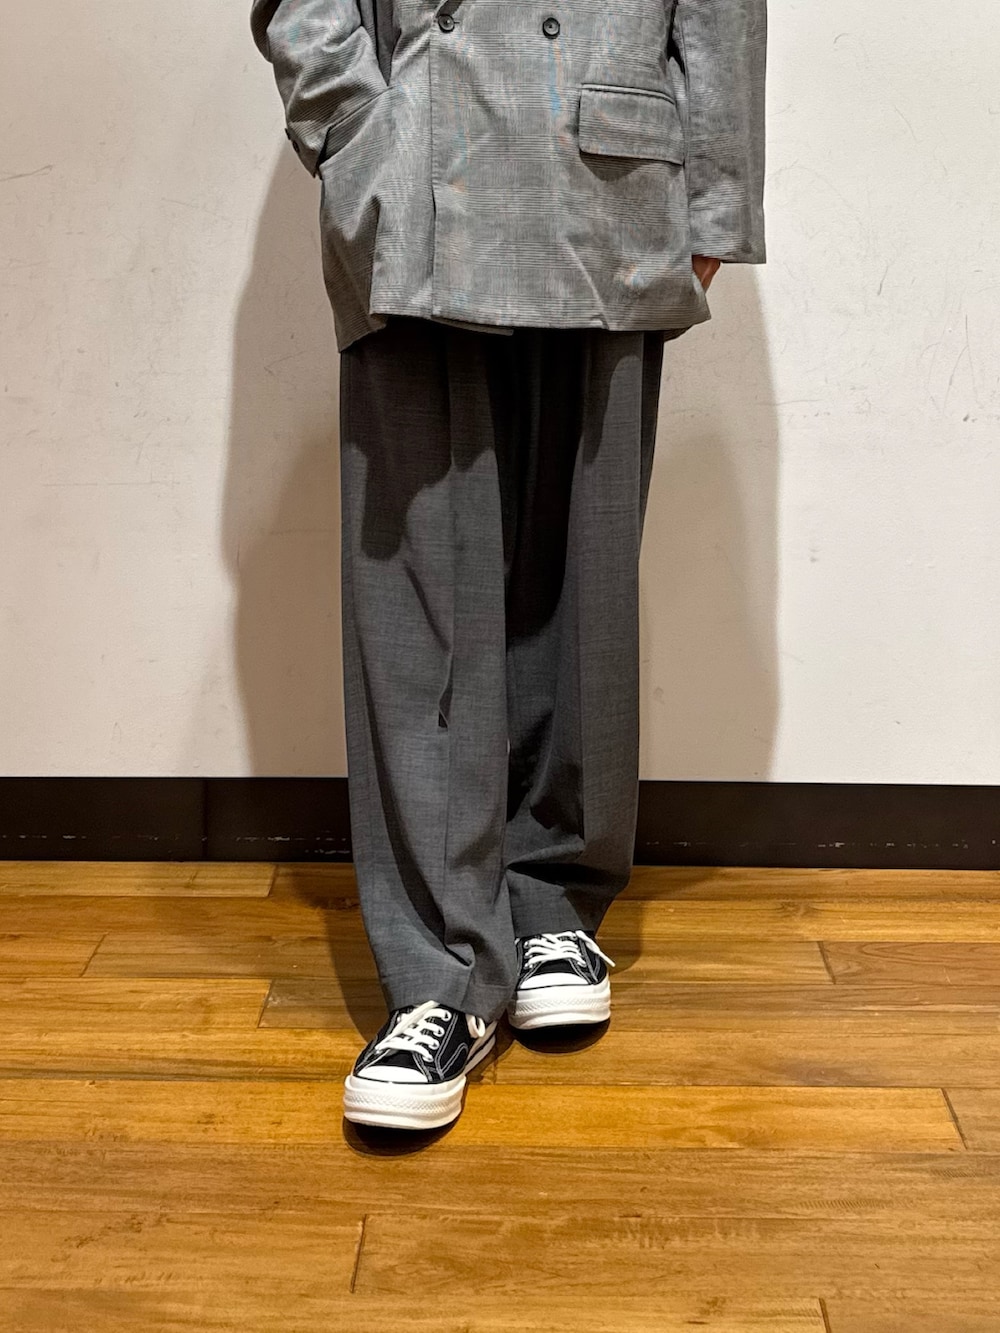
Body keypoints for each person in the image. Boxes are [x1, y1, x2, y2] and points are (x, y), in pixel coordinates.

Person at [250, 0, 766, 1131]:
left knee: (582, 581)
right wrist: (360, 134)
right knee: (418, 594)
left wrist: (715, 201)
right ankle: (439, 973)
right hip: (419, 174)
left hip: (614, 174)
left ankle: (550, 900)